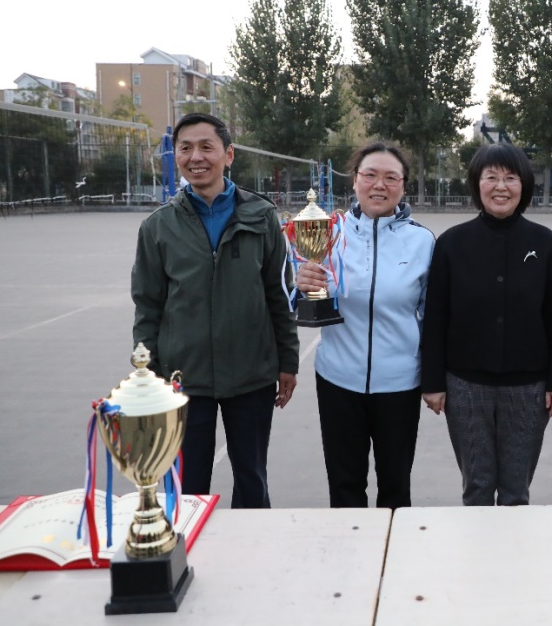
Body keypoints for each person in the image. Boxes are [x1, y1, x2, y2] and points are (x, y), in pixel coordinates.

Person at [131, 112, 299, 508]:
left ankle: (251, 544)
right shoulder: (158, 227)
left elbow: (280, 295)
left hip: (251, 374)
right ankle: (188, 543)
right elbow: (148, 306)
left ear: (228, 154)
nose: (196, 157)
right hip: (182, 378)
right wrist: (147, 374)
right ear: (176, 156)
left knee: (252, 480)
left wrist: (287, 361)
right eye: (185, 148)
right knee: (186, 488)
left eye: (207, 147)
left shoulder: (261, 217)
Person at [421, 142, 552, 506]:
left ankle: (514, 544)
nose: (501, 187)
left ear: (524, 185)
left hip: (529, 387)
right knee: (477, 486)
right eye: (491, 177)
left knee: (516, 490)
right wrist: (433, 382)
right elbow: (436, 316)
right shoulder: (452, 243)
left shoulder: (544, 242)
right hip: (465, 386)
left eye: (510, 178)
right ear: (477, 183)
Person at [296, 142, 434, 509]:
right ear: (354, 180)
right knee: (345, 487)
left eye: (391, 178)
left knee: (395, 488)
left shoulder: (422, 242)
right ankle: (350, 546)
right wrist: (301, 285)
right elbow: (299, 301)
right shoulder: (328, 234)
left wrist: (434, 379)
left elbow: (433, 318)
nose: (379, 185)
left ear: (403, 186)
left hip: (400, 384)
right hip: (338, 381)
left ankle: (394, 544)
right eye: (370, 175)